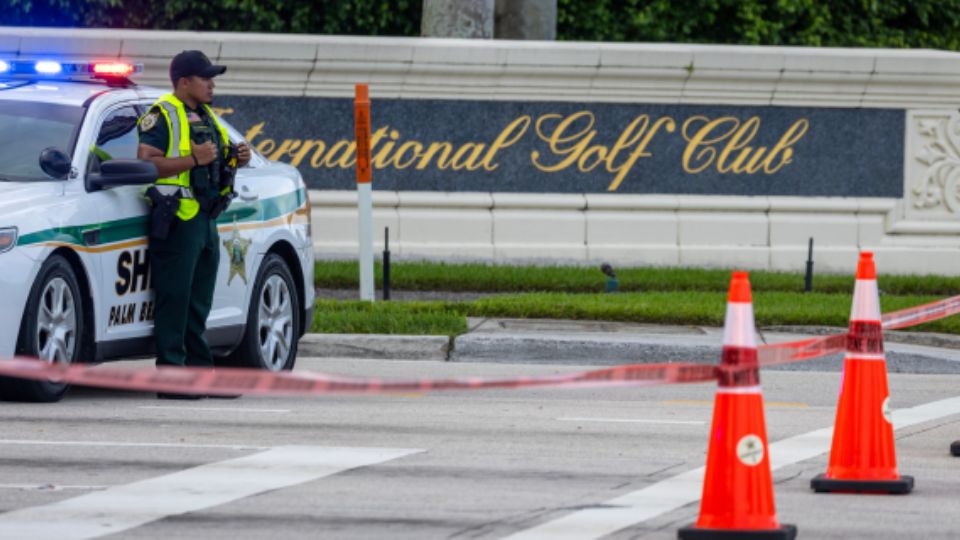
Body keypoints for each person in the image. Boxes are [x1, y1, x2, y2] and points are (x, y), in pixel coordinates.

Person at [137, 50, 251, 399]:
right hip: (176, 220)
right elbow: (147, 163)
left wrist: (238, 156)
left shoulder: (205, 115)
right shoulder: (162, 114)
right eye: (205, 78)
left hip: (205, 218)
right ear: (184, 81)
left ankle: (201, 375)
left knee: (199, 302)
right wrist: (191, 159)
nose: (212, 84)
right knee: (176, 300)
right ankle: (172, 379)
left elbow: (215, 160)